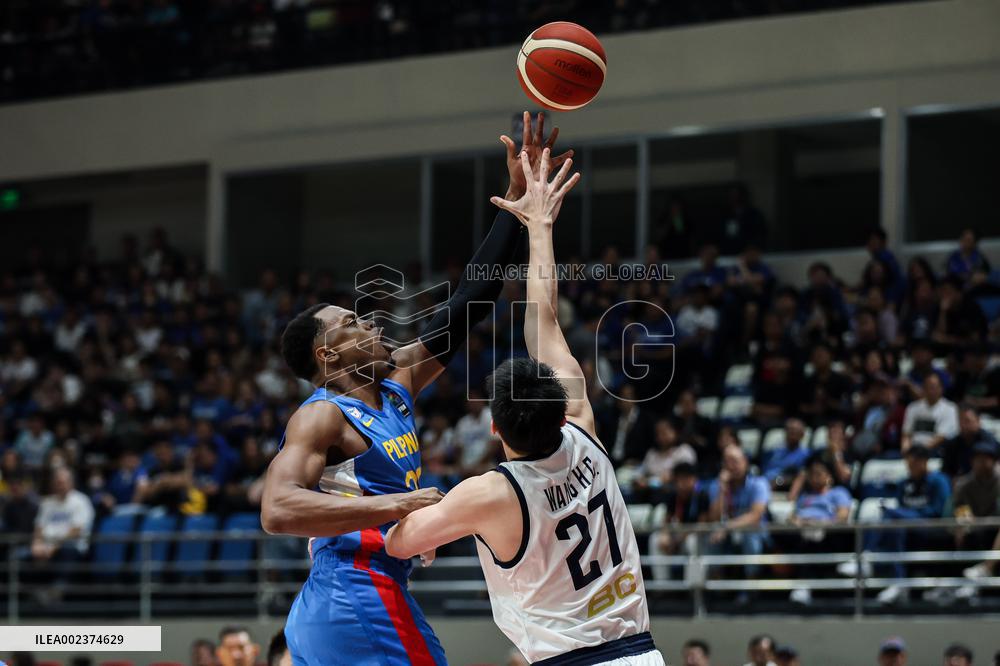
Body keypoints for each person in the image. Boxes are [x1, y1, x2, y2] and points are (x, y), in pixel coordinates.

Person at [263, 113, 573, 666]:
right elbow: (278, 509)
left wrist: (513, 201)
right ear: (328, 356)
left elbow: (470, 301)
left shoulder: (399, 382)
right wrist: (400, 504)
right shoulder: (322, 416)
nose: (372, 324)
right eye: (352, 325)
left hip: (357, 596)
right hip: (352, 591)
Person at [385, 147, 663, 664]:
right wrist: (539, 224)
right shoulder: (585, 432)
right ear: (561, 410)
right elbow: (545, 319)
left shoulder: (490, 492)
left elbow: (398, 543)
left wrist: (428, 507)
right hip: (642, 654)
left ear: (493, 427)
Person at [706, 445, 770, 602]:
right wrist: (722, 490)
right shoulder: (717, 485)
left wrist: (726, 527)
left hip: (756, 533)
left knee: (749, 536)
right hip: (727, 533)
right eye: (726, 462)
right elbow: (714, 517)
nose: (730, 466)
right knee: (712, 534)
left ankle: (751, 588)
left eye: (734, 461)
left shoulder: (759, 483)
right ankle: (718, 589)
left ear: (745, 462)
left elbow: (755, 516)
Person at [787, 456, 852, 605]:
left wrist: (821, 523)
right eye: (811, 474)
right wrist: (799, 522)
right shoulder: (804, 497)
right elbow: (792, 516)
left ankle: (804, 586)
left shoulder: (838, 493)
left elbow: (842, 517)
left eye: (819, 473)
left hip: (827, 533)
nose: (814, 477)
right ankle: (802, 587)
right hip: (803, 532)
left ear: (829, 475)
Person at [31, 467, 94, 588]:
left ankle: (55, 592)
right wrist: (37, 544)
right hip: (46, 547)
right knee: (23, 556)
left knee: (65, 553)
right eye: (57, 483)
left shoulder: (81, 501)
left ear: (71, 483)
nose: (60, 486)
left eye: (63, 482)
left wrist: (54, 547)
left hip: (71, 547)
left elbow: (76, 531)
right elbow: (39, 526)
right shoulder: (47, 502)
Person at [648, 462, 709, 581]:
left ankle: (693, 587)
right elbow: (666, 520)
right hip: (677, 537)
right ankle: (663, 585)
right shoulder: (673, 496)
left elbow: (702, 525)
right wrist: (665, 535)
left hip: (695, 537)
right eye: (679, 480)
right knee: (655, 539)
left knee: (692, 542)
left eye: (686, 479)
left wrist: (677, 539)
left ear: (694, 479)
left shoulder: (701, 495)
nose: (682, 484)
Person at [901, 374, 959, 453]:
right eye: (928, 387)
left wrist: (920, 452)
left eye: (934, 387)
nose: (931, 390)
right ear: (923, 388)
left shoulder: (950, 409)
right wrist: (906, 450)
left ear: (941, 388)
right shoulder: (912, 407)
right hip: (914, 450)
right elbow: (906, 434)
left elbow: (941, 437)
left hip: (936, 451)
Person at [761, 418, 810, 491]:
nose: (792, 433)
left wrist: (778, 482)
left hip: (781, 489)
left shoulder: (806, 455)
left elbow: (800, 475)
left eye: (795, 431)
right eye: (789, 430)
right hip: (763, 484)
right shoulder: (773, 452)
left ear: (802, 434)